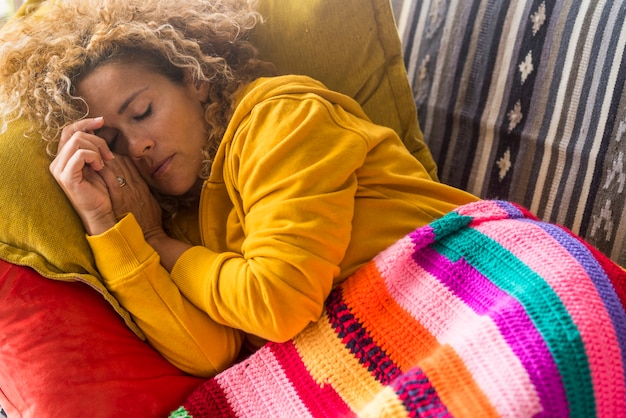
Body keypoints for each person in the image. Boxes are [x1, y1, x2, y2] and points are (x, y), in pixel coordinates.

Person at [0, 0, 478, 377]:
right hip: (384, 347)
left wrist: (158, 244)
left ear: (195, 79)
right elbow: (208, 353)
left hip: (469, 287)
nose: (139, 145)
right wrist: (110, 226)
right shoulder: (185, 209)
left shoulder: (282, 119)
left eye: (143, 111)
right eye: (114, 141)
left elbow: (277, 303)